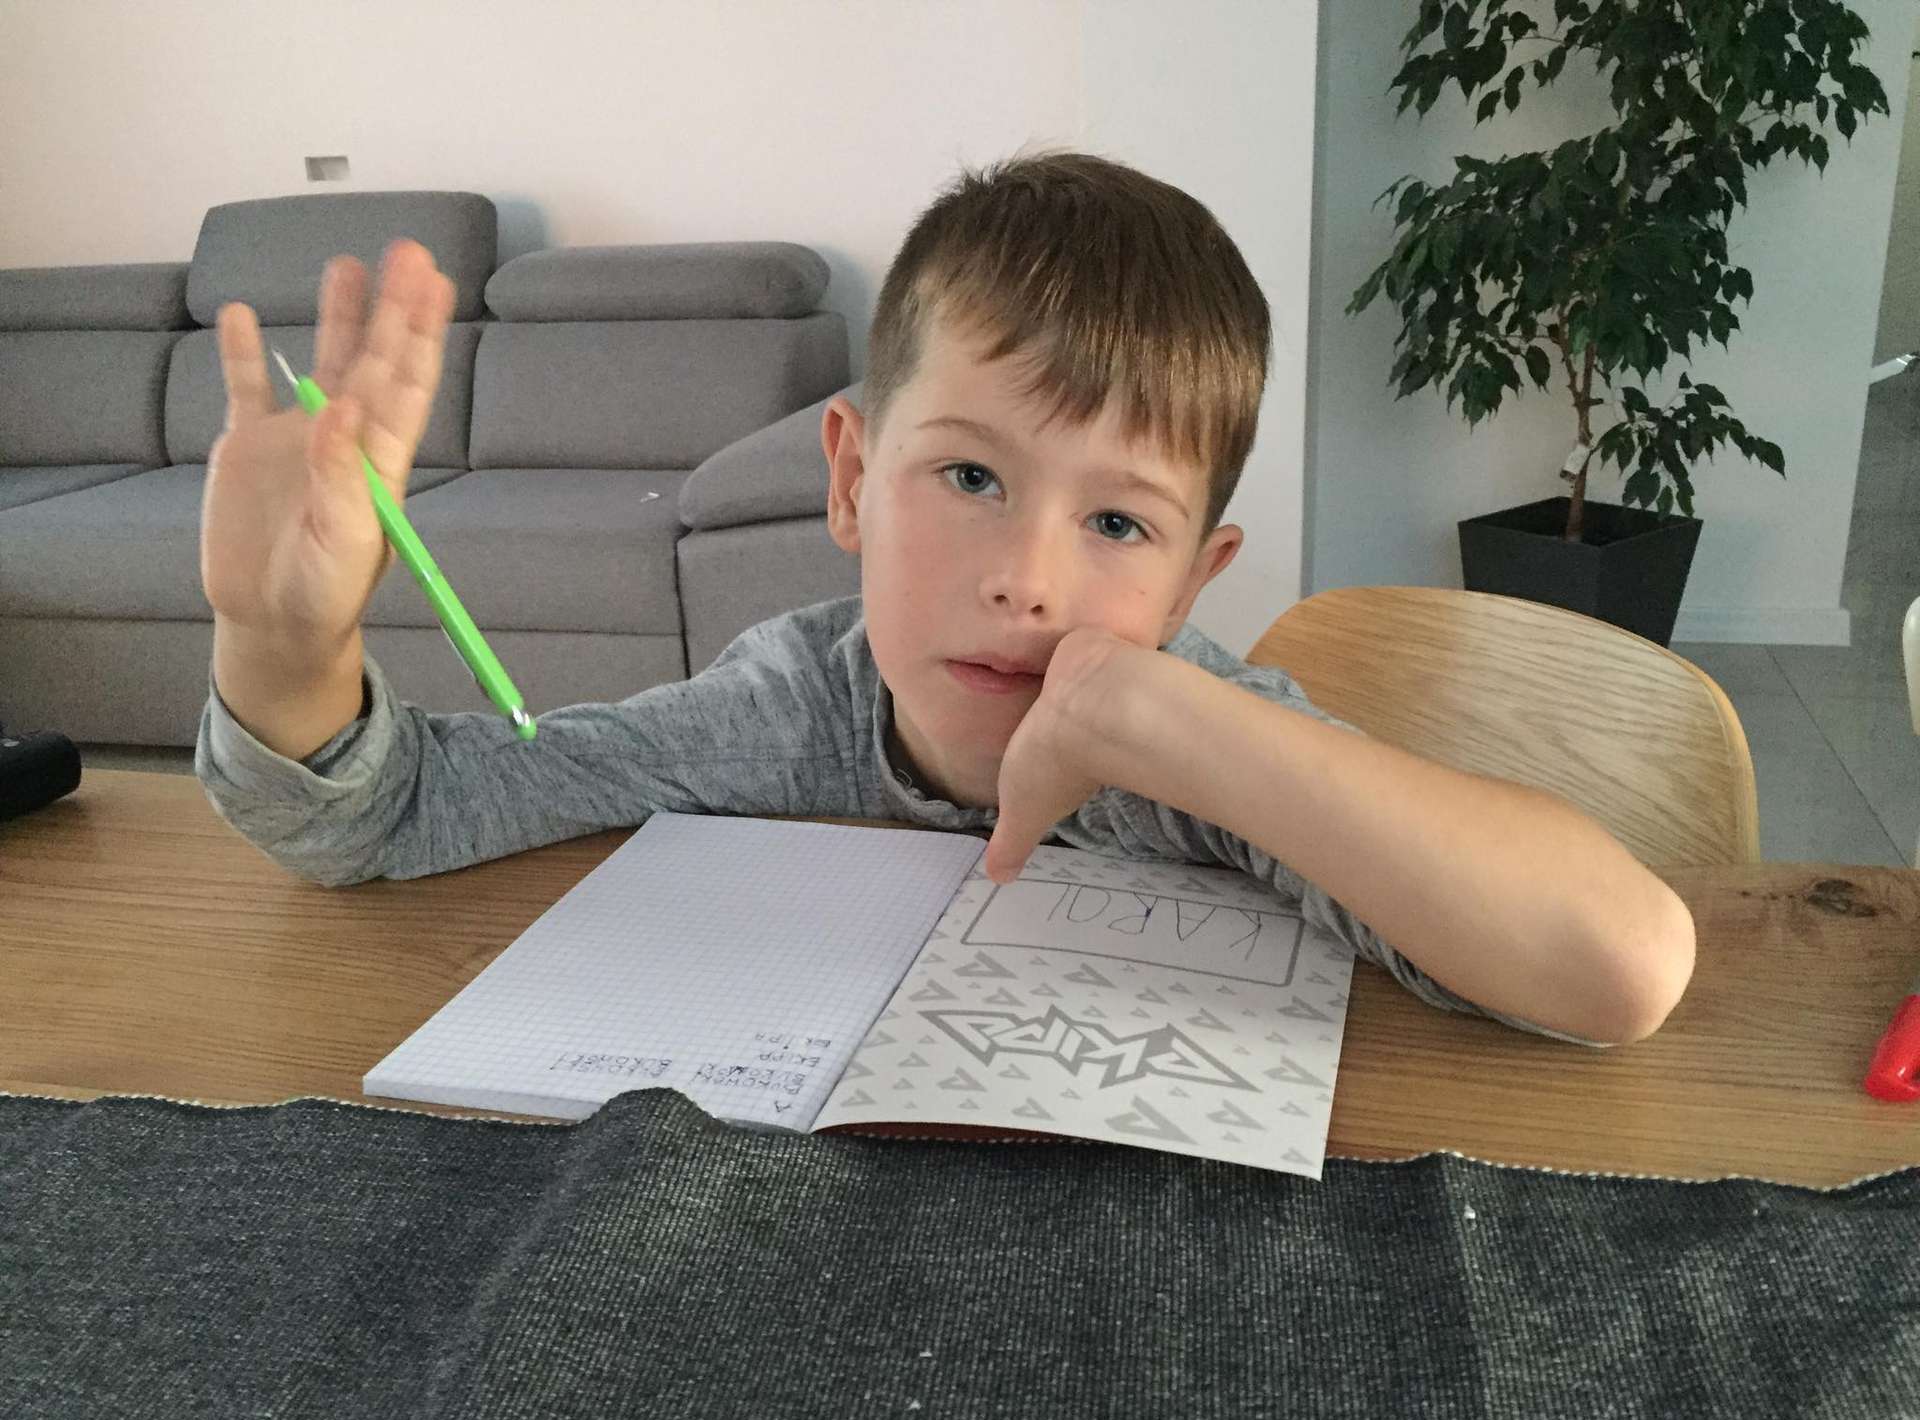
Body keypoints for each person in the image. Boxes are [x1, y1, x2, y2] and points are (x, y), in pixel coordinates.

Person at [196, 149, 1694, 1048]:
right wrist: (281, 642)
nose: (1026, 579)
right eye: (971, 476)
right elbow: (382, 819)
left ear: (1195, 582)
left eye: (1119, 523)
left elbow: (1617, 966)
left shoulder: (1203, 748)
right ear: (852, 480)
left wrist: (1187, 722)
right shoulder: (783, 711)